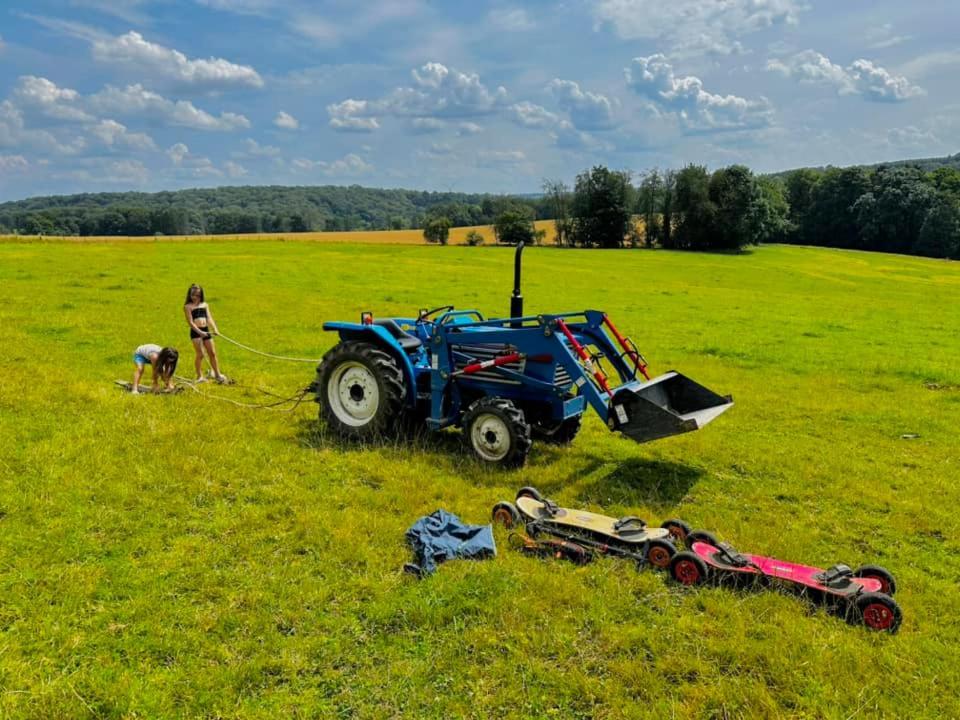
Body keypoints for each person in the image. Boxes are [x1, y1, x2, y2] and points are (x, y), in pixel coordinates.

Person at [183, 283, 228, 383]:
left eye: (197, 295)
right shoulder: (188, 307)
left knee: (212, 353)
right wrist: (199, 332)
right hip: (196, 332)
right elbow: (190, 322)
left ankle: (217, 374)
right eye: (193, 295)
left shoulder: (205, 305)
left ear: (201, 295)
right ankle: (199, 376)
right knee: (200, 354)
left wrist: (215, 329)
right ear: (189, 295)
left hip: (206, 330)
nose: (195, 297)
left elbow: (209, 318)